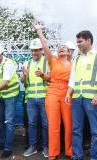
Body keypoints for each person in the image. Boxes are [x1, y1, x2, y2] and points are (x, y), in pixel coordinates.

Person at [33, 21, 73, 159]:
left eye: (64, 47)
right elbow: (44, 45)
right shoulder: (53, 61)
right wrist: (39, 31)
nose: (61, 48)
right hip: (53, 93)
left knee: (69, 125)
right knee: (53, 125)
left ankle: (69, 151)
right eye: (59, 47)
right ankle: (53, 153)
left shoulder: (74, 64)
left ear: (69, 52)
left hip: (68, 93)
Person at [66, 30, 97, 160]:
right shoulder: (77, 58)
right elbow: (72, 78)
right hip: (77, 98)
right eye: (77, 42)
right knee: (76, 129)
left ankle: (94, 156)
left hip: (92, 99)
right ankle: (77, 156)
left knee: (95, 131)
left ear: (88, 40)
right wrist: (68, 93)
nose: (77, 44)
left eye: (80, 41)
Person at [0, 42, 19, 159]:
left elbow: (6, 82)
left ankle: (8, 148)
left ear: (2, 54)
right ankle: (1, 143)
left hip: (11, 95)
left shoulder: (8, 63)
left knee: (9, 121)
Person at [20, 38, 50, 158]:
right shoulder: (27, 63)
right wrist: (23, 76)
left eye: (36, 51)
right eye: (32, 51)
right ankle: (32, 146)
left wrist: (43, 75)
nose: (33, 53)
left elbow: (51, 79)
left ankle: (45, 146)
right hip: (31, 98)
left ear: (41, 50)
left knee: (45, 124)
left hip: (44, 97)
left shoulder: (47, 62)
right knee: (32, 123)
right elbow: (25, 83)